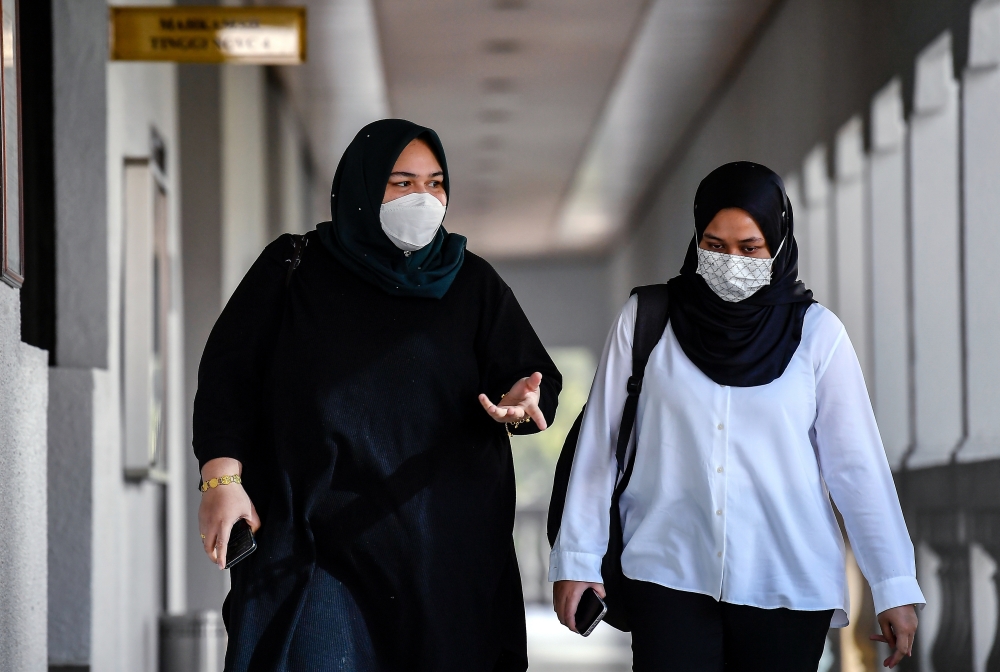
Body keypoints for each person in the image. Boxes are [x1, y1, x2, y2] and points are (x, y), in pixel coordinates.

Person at [194, 118, 561, 672]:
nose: (423, 198)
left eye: (436, 183)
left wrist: (521, 402)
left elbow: (532, 379)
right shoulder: (295, 268)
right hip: (315, 545)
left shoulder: (471, 283)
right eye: (402, 182)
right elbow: (228, 376)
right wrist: (220, 480)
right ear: (362, 187)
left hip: (443, 551)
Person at [550, 162, 923, 671]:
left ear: (778, 240)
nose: (731, 262)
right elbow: (600, 446)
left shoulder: (817, 335)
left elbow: (856, 467)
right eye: (714, 245)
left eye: (750, 248)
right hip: (668, 572)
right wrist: (576, 559)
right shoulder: (646, 319)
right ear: (696, 239)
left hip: (787, 581)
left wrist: (893, 584)